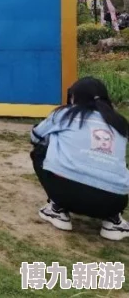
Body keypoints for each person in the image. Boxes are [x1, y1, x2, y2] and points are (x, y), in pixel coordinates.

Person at [31, 77, 129, 241]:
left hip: (67, 193)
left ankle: (57, 208)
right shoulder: (120, 123)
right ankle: (113, 221)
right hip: (114, 201)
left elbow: (36, 137)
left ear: (74, 97)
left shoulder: (64, 114)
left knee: (40, 150)